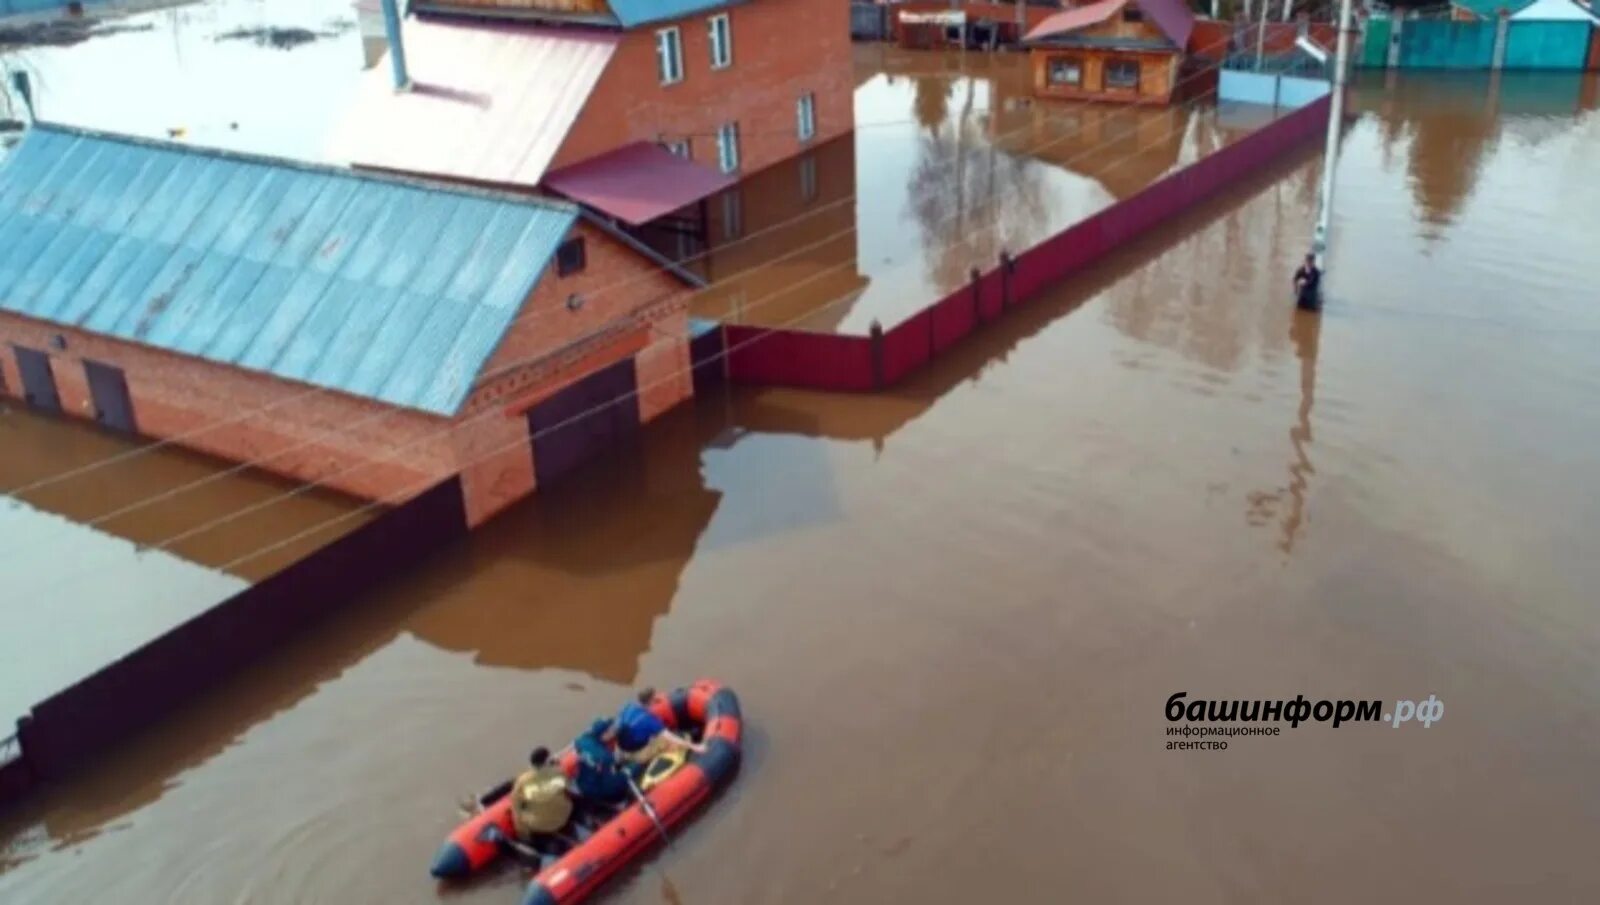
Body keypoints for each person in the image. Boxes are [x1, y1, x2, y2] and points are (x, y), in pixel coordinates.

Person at [470, 747, 573, 867]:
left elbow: (516, 805)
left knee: (518, 809)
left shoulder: (523, 781)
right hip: (563, 818)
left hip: (539, 825)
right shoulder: (559, 773)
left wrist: (521, 831)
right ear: (547, 760)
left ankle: (483, 802)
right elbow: (566, 790)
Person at [614, 687, 705, 768]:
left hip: (620, 748)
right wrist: (695, 747)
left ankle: (618, 764)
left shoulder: (628, 706)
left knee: (646, 735)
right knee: (675, 740)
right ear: (650, 701)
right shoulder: (648, 719)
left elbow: (616, 727)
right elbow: (670, 737)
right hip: (637, 753)